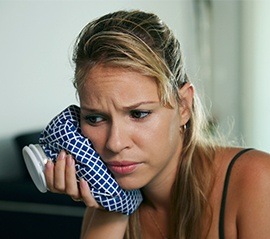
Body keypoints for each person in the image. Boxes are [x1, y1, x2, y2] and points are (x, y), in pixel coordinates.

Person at [44, 10, 270, 239]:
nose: (115, 143)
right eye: (95, 118)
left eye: (139, 114)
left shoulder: (257, 182)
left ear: (183, 106)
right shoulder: (106, 204)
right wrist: (112, 208)